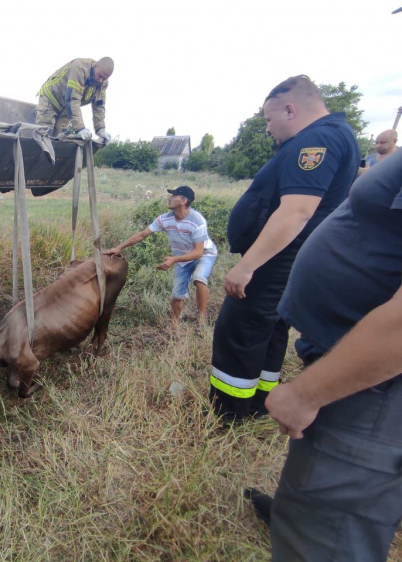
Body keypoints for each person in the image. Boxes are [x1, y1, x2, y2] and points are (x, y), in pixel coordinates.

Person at [246, 149, 402, 561]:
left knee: (329, 530)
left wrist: (306, 394)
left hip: (375, 389)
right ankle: (295, 510)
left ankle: (316, 520)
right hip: (363, 370)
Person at [210, 75, 359, 422]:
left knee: (241, 328)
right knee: (270, 328)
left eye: (268, 119)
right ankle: (260, 402)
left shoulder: (317, 140)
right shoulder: (335, 135)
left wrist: (247, 265)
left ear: (289, 109)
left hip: (278, 258)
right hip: (292, 256)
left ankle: (229, 413)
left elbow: (296, 211)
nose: (267, 128)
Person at [104, 186, 217, 330]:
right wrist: (118, 248)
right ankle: (174, 325)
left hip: (204, 254)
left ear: (183, 200)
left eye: (173, 196)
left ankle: (201, 319)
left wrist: (173, 260)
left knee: (199, 278)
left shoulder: (196, 220)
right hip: (182, 258)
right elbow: (142, 235)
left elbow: (198, 252)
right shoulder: (164, 219)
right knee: (177, 294)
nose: (169, 198)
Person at [36, 57, 114, 142]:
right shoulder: (79, 68)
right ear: (96, 66)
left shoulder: (102, 83)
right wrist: (80, 128)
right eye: (100, 76)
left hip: (65, 108)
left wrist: (100, 128)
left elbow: (99, 105)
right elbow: (72, 99)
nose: (100, 80)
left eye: (104, 78)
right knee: (44, 135)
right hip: (50, 100)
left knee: (60, 139)